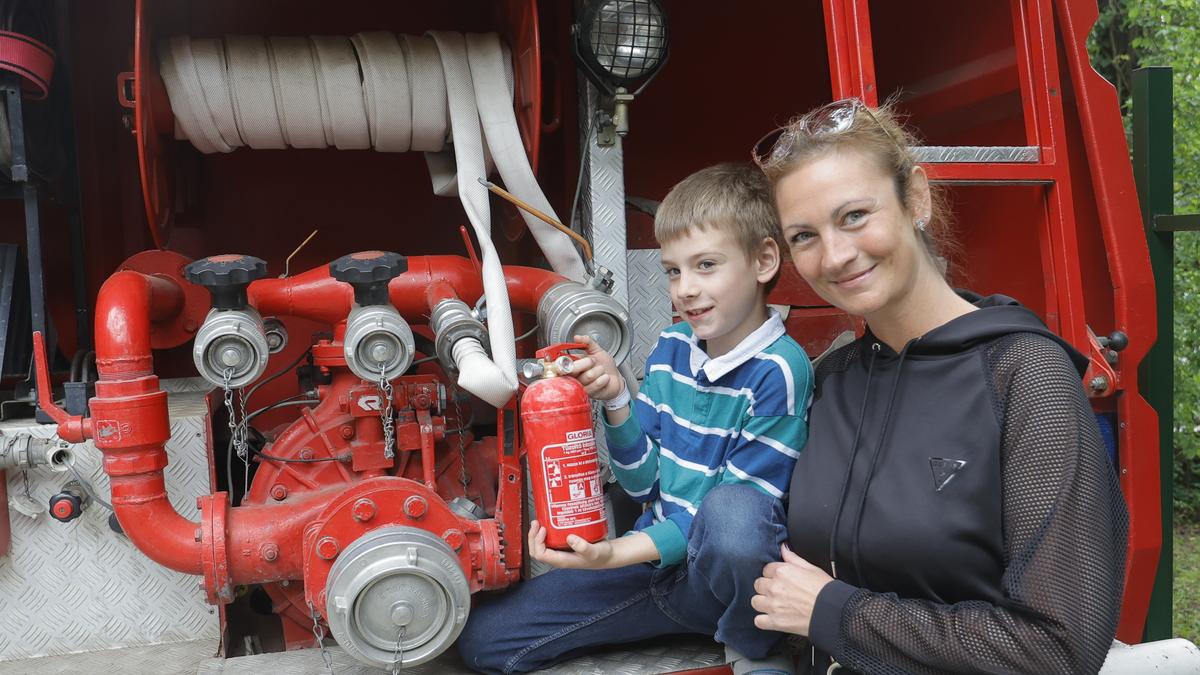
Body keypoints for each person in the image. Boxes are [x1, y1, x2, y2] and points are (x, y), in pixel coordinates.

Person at [747, 99, 1128, 674]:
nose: (835, 255)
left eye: (854, 215)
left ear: (916, 199)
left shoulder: (1024, 376)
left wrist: (836, 612)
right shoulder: (832, 380)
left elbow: (1059, 649)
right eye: (805, 236)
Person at [458, 163, 815, 675]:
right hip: (656, 567)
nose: (685, 289)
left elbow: (732, 520)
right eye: (673, 270)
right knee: (484, 641)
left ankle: (753, 640)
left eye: (706, 265)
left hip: (721, 578)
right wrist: (617, 398)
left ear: (762, 260)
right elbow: (642, 483)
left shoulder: (781, 370)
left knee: (733, 514)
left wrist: (611, 554)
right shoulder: (672, 347)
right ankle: (676, 619)